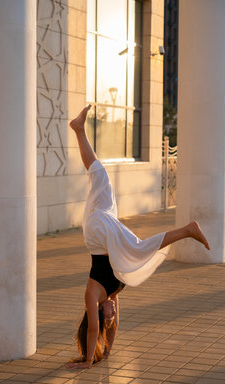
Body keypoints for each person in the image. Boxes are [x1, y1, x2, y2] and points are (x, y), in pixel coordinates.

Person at [67, 105, 210, 370]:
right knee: (99, 175)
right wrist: (107, 351)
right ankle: (78, 129)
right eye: (113, 316)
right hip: (102, 227)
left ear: (99, 311)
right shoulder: (115, 290)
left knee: (140, 247)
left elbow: (92, 330)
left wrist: (88, 361)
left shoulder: (94, 293)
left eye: (107, 317)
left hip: (98, 232)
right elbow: (113, 324)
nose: (113, 316)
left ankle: (188, 230)